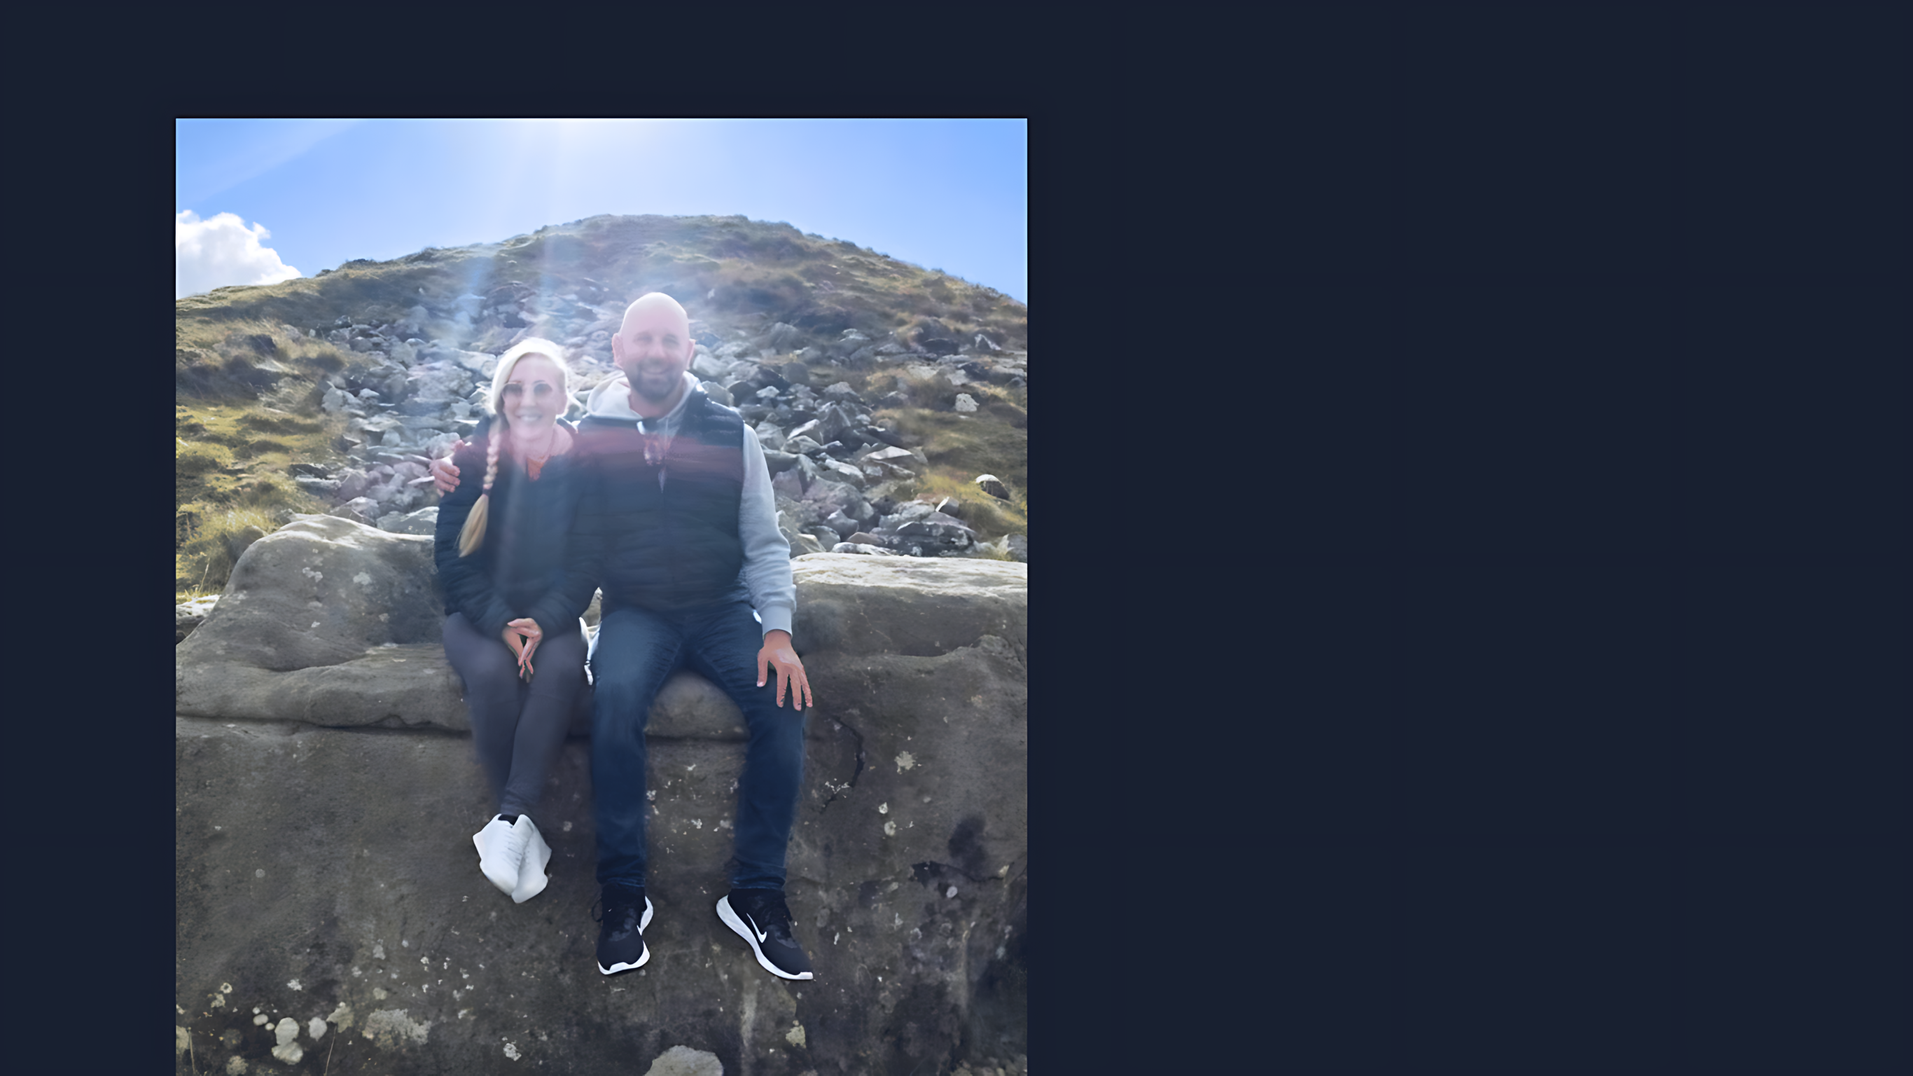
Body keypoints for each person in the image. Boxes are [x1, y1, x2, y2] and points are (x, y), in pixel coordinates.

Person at [433, 293, 817, 981]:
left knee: (783, 704)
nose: (656, 353)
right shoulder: (590, 437)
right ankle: (621, 893)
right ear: (618, 352)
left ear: (689, 352)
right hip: (636, 611)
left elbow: (765, 542)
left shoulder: (733, 434)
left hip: (725, 610)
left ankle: (755, 894)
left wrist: (778, 632)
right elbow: (520, 457)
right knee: (611, 704)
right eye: (643, 340)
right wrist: (455, 471)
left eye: (670, 341)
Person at [433, 337, 589, 906]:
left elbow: (585, 562)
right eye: (515, 388)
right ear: (501, 397)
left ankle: (508, 826)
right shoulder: (472, 460)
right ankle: (520, 826)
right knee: (495, 678)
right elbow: (452, 559)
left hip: (556, 618)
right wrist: (502, 623)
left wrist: (543, 622)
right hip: (477, 615)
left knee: (560, 674)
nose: (528, 399)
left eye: (541, 387)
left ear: (563, 397)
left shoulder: (584, 464)